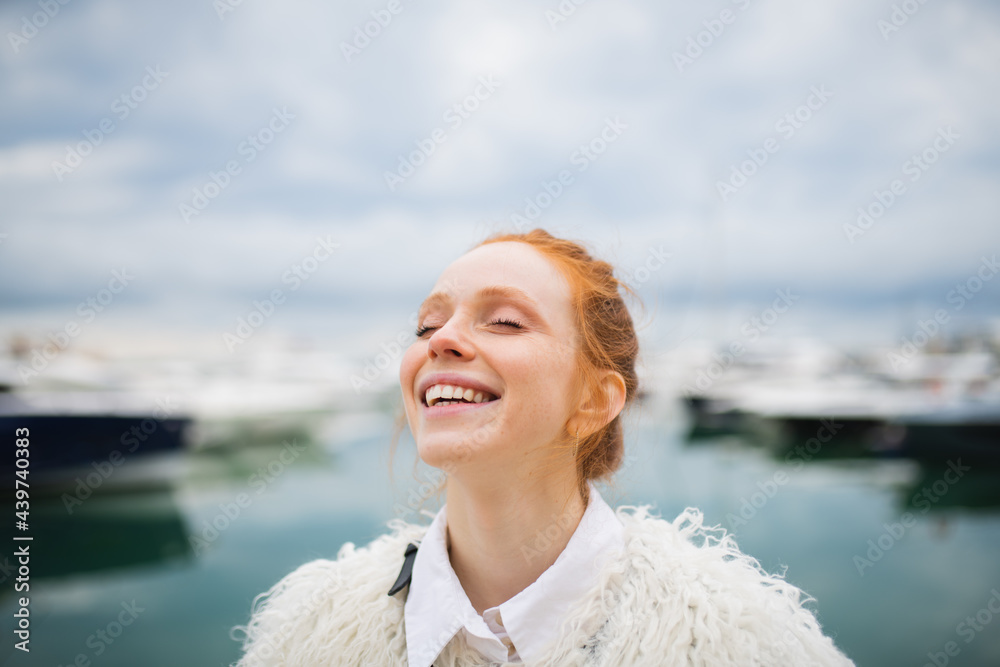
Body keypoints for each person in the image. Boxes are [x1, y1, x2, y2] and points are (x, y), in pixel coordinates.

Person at [232, 228, 855, 666]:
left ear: (594, 401)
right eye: (427, 324)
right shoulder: (311, 634)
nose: (440, 341)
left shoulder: (740, 644)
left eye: (504, 321)